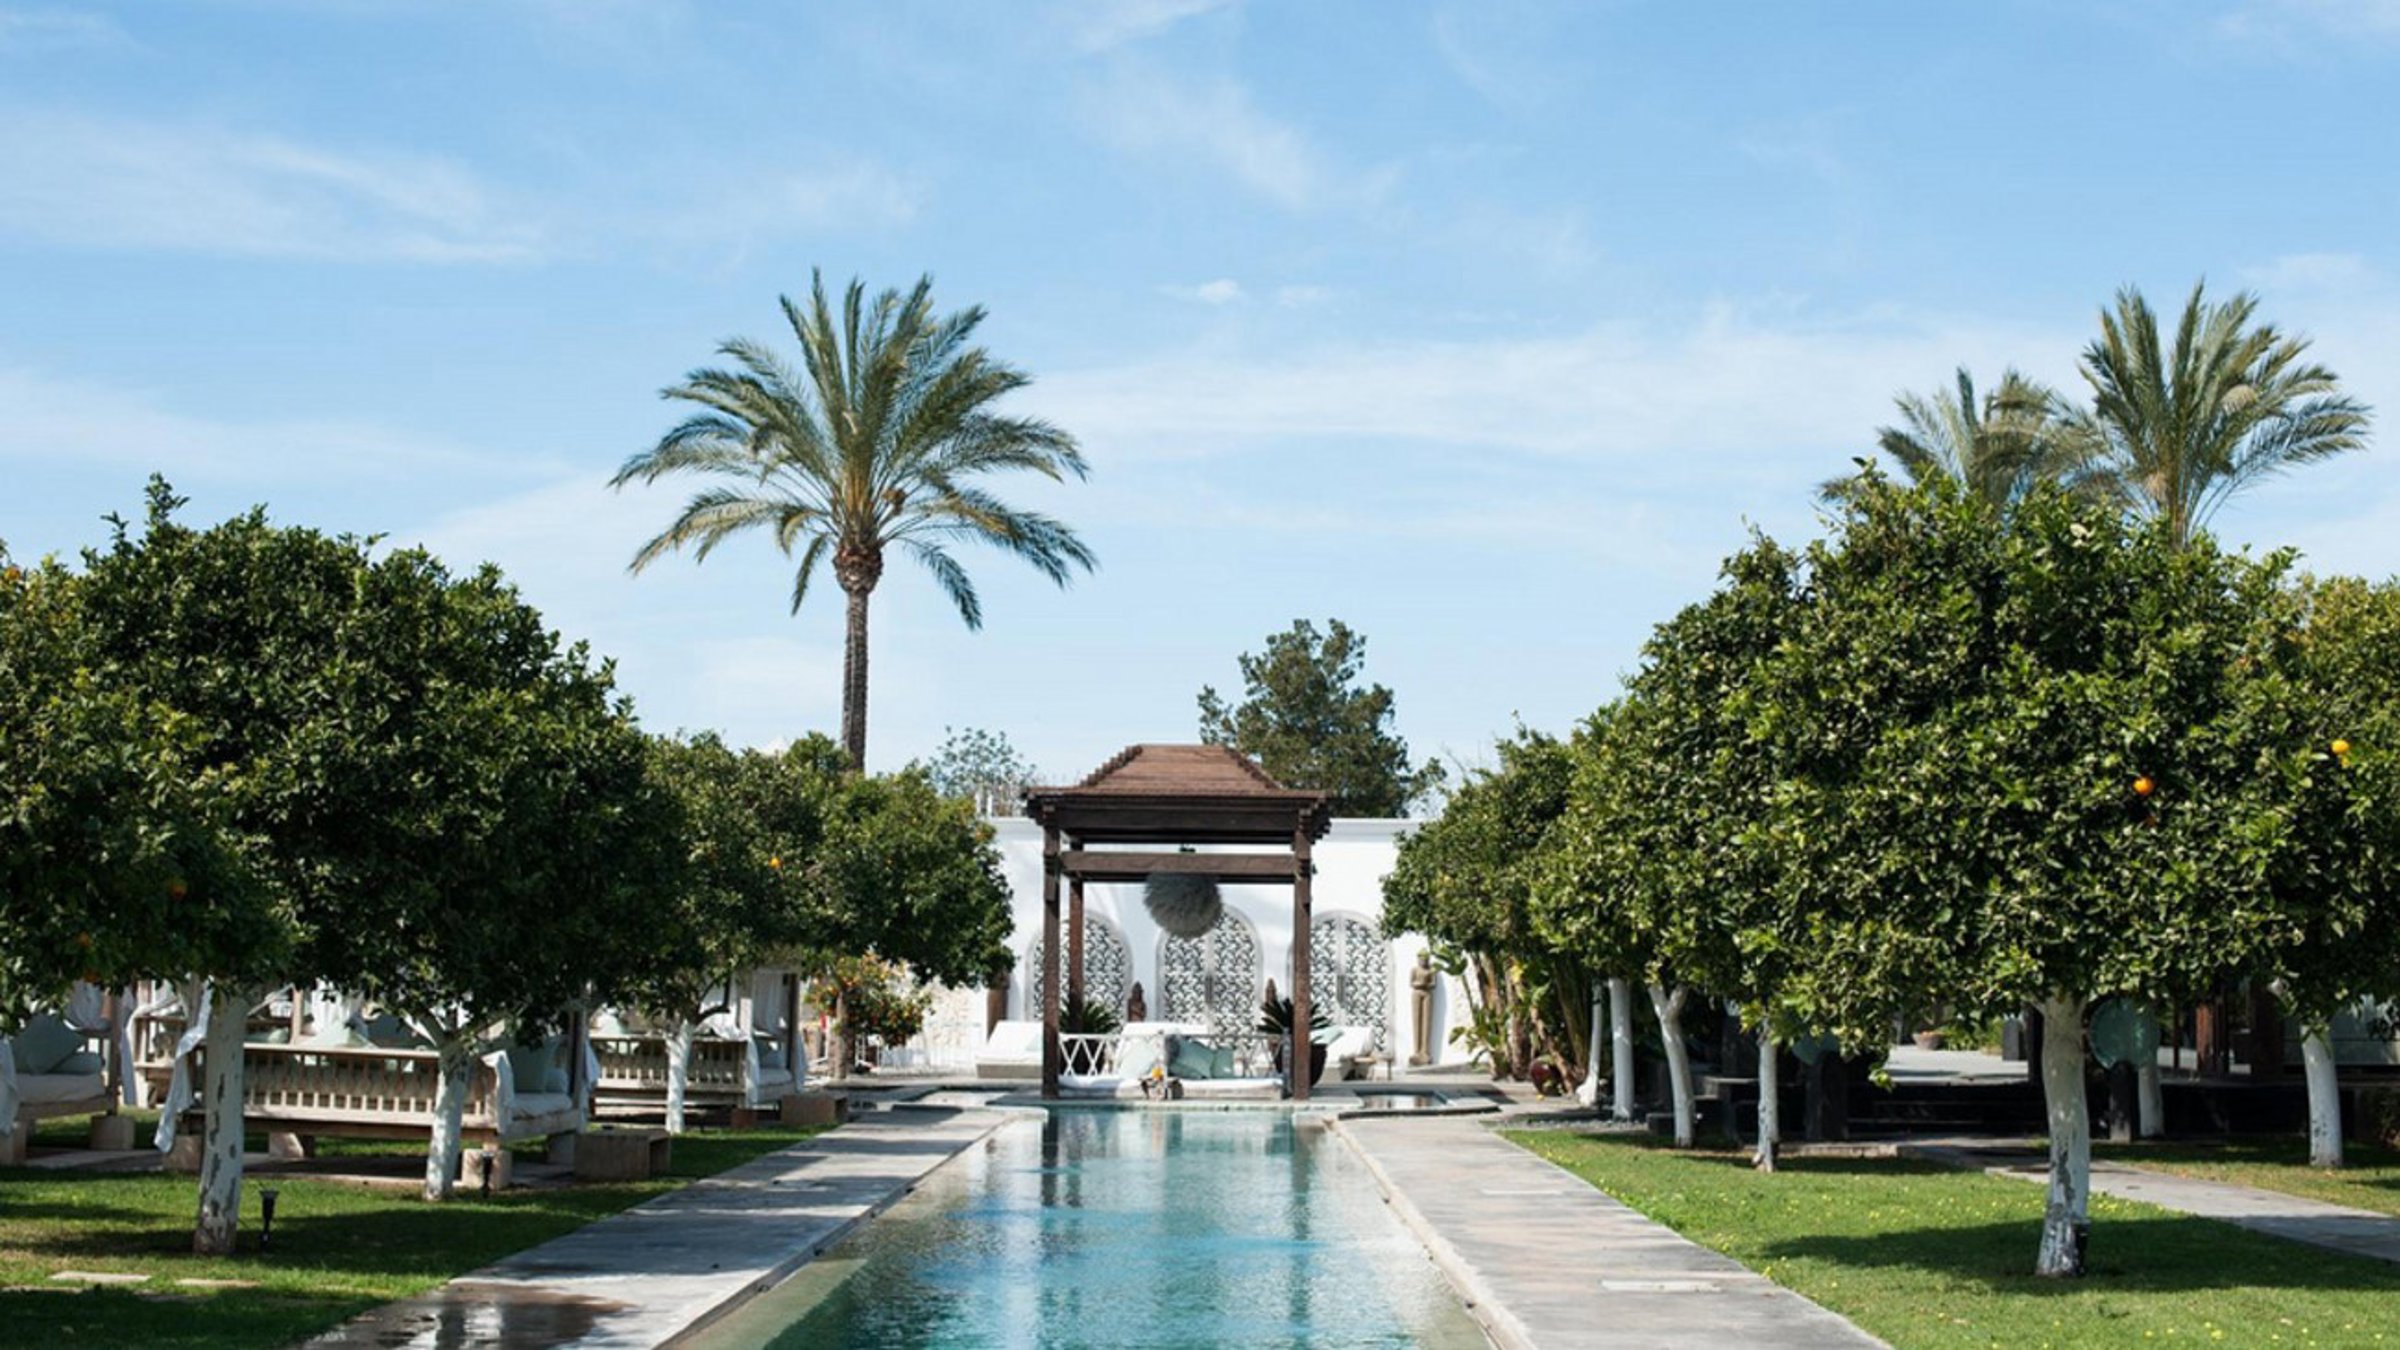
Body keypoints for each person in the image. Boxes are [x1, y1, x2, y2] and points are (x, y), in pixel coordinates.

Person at [1409, 950, 1437, 1066]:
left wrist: (1426, 984)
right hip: (1417, 993)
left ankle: (1425, 1052)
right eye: (1421, 959)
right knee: (1417, 1022)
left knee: (1426, 1022)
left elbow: (1434, 984)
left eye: (1425, 959)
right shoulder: (1414, 970)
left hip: (1428, 994)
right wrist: (1418, 984)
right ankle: (1416, 1051)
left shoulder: (1431, 970)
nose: (1423, 961)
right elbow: (1411, 983)